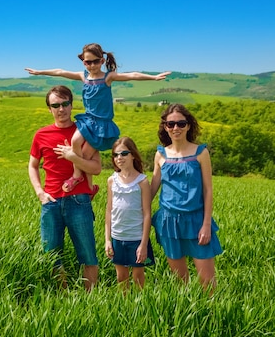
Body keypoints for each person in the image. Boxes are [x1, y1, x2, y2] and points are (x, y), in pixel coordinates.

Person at [26, 43, 171, 196]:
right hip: (88, 120)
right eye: (88, 62)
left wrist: (153, 77)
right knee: (75, 142)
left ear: (102, 61)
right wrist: (39, 72)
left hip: (102, 124)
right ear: (83, 62)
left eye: (96, 61)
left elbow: (132, 75)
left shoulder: (108, 77)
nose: (92, 65)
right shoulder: (83, 76)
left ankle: (88, 187)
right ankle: (79, 179)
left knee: (86, 156)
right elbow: (60, 72)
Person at [28, 85, 102, 291]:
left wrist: (72, 156)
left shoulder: (84, 133)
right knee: (51, 254)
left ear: (72, 104)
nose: (61, 109)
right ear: (49, 109)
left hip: (79, 200)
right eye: (56, 105)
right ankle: (63, 298)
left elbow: (96, 168)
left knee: (88, 254)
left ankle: (89, 299)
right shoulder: (41, 135)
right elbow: (32, 166)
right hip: (51, 202)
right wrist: (39, 193)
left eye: (65, 104)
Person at [150, 103, 223, 292]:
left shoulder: (201, 153)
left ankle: (212, 318)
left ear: (189, 126)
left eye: (181, 124)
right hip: (168, 222)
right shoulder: (160, 154)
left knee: (208, 284)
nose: (176, 128)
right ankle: (186, 317)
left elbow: (208, 190)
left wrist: (206, 224)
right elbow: (152, 189)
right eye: (171, 124)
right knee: (179, 283)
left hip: (196, 220)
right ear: (165, 127)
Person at [104, 136, 155, 290]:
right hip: (117, 237)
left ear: (133, 154)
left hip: (136, 238)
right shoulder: (112, 180)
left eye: (124, 153)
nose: (119, 158)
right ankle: (125, 306)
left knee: (138, 276)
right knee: (121, 277)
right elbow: (108, 210)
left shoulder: (142, 181)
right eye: (116, 155)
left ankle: (139, 308)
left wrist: (143, 244)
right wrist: (107, 240)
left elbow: (147, 214)